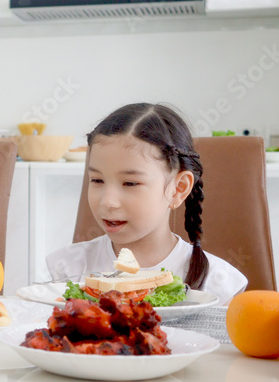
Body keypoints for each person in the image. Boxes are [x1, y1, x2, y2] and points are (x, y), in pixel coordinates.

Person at [46, 103, 247, 299]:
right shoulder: (65, 271)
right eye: (97, 180)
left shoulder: (219, 285)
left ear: (178, 188)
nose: (108, 202)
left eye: (130, 183)